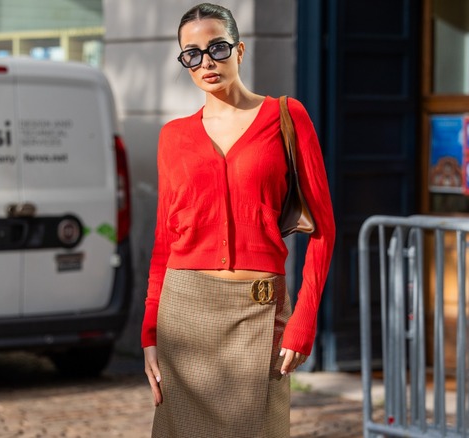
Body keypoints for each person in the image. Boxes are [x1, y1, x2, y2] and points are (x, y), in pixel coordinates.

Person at [141, 3, 335, 437]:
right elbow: (163, 239)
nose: (206, 61)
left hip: (259, 310)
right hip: (184, 314)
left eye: (217, 47)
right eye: (191, 53)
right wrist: (150, 332)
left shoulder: (287, 117)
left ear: (240, 51)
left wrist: (304, 319)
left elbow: (323, 230)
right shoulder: (173, 137)